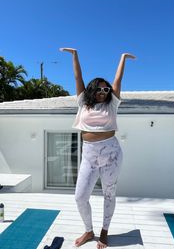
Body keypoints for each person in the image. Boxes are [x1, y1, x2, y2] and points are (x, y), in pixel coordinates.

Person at [60, 47, 136, 249]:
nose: (103, 92)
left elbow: (118, 81)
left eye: (106, 89)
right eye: (100, 89)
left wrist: (123, 58)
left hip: (111, 154)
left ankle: (104, 231)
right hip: (89, 155)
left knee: (109, 193)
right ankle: (88, 230)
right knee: (80, 197)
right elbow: (78, 78)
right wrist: (75, 55)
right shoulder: (83, 103)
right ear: (92, 90)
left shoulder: (112, 105)